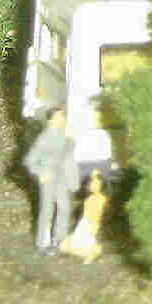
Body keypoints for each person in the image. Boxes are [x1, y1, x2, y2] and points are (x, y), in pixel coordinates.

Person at [23, 110, 81, 251]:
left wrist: (71, 139)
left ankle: (59, 239)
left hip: (61, 178)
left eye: (62, 116)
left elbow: (67, 157)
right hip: (49, 178)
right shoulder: (44, 138)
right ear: (50, 120)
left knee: (64, 207)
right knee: (47, 210)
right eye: (59, 117)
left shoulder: (64, 135)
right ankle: (43, 243)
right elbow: (30, 160)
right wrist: (41, 172)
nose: (63, 119)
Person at [60, 170, 108, 263]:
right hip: (84, 223)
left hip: (92, 224)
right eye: (91, 184)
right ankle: (92, 251)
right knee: (65, 246)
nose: (92, 186)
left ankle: (92, 253)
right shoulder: (89, 198)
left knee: (81, 244)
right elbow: (85, 213)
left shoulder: (102, 199)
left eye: (96, 184)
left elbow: (98, 215)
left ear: (101, 186)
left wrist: (93, 226)